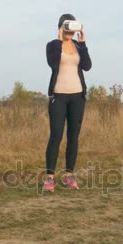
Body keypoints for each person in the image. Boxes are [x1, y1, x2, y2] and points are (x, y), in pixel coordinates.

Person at [43, 13, 92, 192]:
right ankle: (49, 178)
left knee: (73, 136)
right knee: (56, 136)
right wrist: (59, 40)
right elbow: (53, 64)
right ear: (61, 27)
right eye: (67, 27)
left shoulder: (79, 46)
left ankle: (69, 176)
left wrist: (84, 43)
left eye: (72, 28)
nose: (70, 32)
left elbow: (87, 66)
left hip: (77, 97)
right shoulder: (52, 46)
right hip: (58, 96)